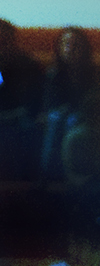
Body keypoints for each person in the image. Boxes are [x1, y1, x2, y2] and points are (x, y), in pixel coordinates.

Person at [38, 27, 100, 181]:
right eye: (66, 44)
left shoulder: (95, 73)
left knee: (71, 121)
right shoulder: (54, 73)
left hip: (86, 116)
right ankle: (47, 174)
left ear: (84, 48)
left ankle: (71, 174)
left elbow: (97, 103)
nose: (70, 49)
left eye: (75, 45)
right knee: (56, 119)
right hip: (60, 116)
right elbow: (49, 103)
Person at [0, 20, 45, 179]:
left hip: (23, 118)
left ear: (13, 42)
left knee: (28, 127)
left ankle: (27, 180)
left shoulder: (29, 66)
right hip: (6, 117)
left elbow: (34, 101)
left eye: (4, 41)